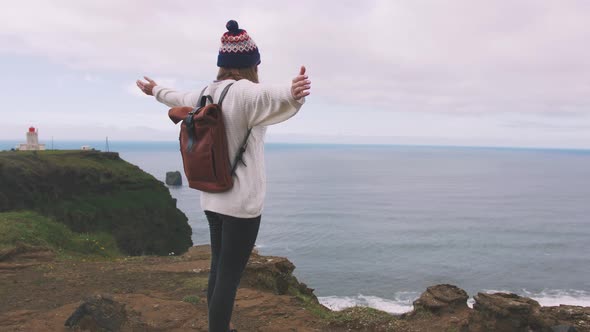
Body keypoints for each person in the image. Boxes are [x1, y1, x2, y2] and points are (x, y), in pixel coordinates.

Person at [136, 19, 311, 332]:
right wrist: (292, 90)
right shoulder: (245, 94)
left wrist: (155, 90)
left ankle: (220, 327)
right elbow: (272, 96)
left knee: (218, 269)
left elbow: (176, 97)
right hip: (241, 204)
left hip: (212, 197)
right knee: (229, 276)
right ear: (251, 64)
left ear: (222, 65)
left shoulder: (206, 92)